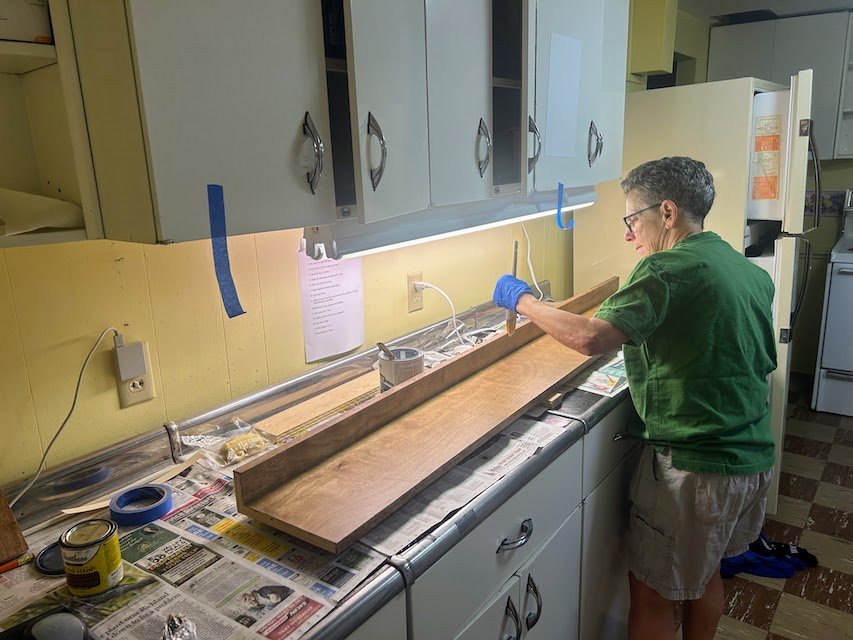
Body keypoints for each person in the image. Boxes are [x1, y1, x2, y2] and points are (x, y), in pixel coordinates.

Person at [492, 156, 776, 640]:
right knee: (704, 574)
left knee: (651, 592)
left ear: (667, 213)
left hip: (696, 468)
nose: (629, 235)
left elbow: (589, 337)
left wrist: (523, 300)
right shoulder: (742, 267)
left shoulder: (668, 268)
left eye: (632, 219)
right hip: (749, 457)